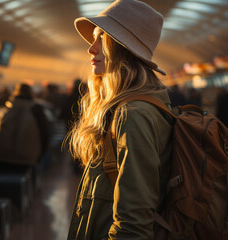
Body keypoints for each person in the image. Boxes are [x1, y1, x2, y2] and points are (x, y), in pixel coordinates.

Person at [67, 1, 173, 239]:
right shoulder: (134, 108)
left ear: (124, 49)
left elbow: (133, 225)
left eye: (101, 38)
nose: (91, 49)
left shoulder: (133, 114)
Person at [0, 83, 51, 173]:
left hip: (2, 157)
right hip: (27, 158)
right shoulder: (36, 109)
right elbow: (45, 134)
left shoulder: (9, 108)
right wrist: (40, 154)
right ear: (31, 93)